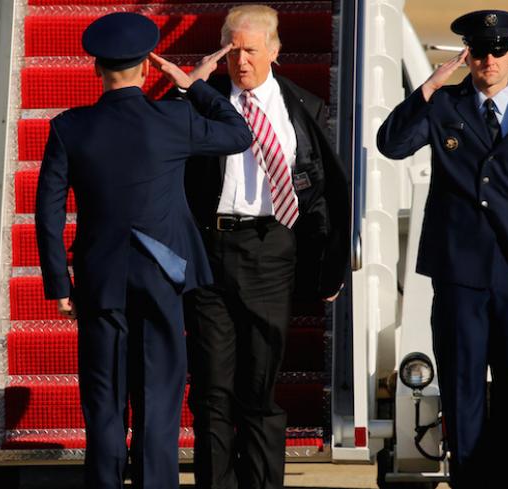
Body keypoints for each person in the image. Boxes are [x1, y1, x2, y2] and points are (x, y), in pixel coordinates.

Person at [34, 12, 251, 489]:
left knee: (105, 400)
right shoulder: (173, 117)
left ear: (97, 69)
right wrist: (192, 85)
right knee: (158, 397)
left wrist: (58, 283)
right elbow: (240, 134)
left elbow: (47, 210)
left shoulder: (70, 127)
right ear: (148, 68)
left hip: (99, 278)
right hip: (161, 274)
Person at [377, 10, 508, 489]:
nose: (489, 59)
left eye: (498, 49)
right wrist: (427, 88)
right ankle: (470, 477)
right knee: (462, 382)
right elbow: (391, 144)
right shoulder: (443, 105)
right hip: (459, 270)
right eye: (479, 50)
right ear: (467, 54)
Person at [172, 5, 349, 488]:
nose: (242, 60)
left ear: (274, 50)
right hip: (210, 250)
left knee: (259, 387)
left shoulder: (304, 108)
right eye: (233, 50)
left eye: (251, 50)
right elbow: (157, 140)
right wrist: (188, 86)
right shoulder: (203, 103)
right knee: (211, 389)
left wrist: (328, 265)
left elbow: (322, 193)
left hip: (271, 249)